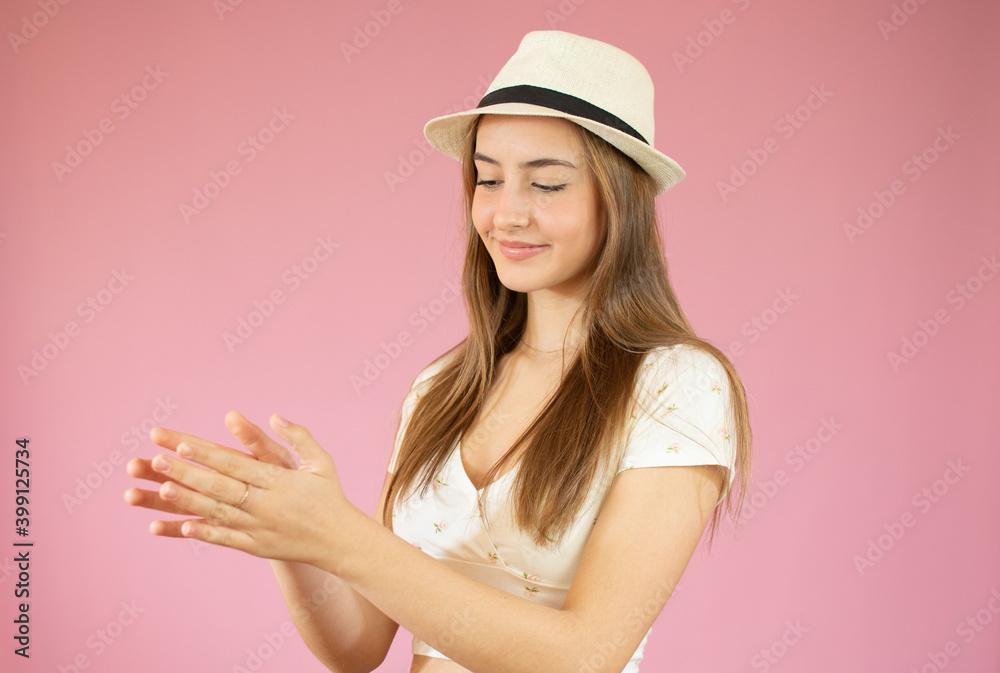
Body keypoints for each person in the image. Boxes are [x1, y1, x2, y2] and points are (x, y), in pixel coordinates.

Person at [124, 30, 752, 673]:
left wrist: (342, 537)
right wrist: (297, 537)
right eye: (487, 179)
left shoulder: (678, 384)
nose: (506, 214)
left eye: (547, 185)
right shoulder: (443, 388)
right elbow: (358, 647)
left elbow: (587, 657)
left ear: (623, 199)